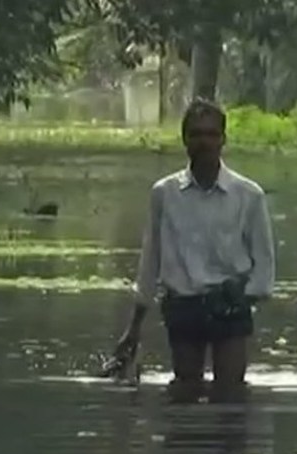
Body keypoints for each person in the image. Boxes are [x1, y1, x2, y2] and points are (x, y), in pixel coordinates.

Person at [102, 99, 276, 391]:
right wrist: (134, 327)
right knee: (185, 389)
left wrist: (243, 298)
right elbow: (150, 261)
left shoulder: (248, 195)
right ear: (184, 139)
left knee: (232, 391)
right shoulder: (165, 193)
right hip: (183, 304)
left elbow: (264, 266)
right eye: (196, 134)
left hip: (230, 304)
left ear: (223, 139)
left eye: (211, 134)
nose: (204, 142)